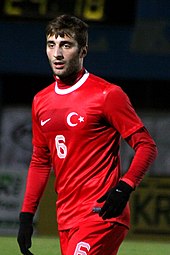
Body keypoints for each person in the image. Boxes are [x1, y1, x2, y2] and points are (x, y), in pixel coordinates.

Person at [17, 14, 157, 255]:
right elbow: (40, 161)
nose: (57, 53)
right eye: (52, 45)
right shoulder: (41, 101)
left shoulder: (106, 95)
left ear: (83, 51)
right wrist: (26, 215)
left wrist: (125, 187)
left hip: (101, 214)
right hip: (66, 218)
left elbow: (147, 145)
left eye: (66, 45)